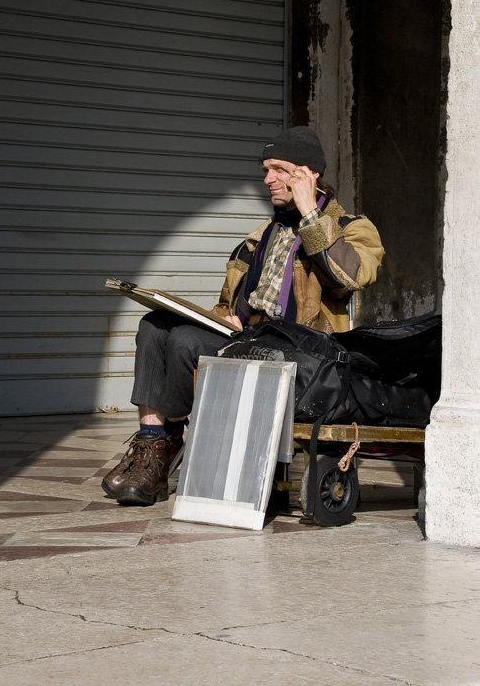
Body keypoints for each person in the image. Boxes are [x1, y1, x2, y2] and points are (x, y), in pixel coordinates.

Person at [102, 126, 384, 506]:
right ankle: (152, 445)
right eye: (265, 169)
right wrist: (226, 317)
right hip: (246, 339)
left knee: (184, 342)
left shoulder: (352, 228)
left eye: (279, 169)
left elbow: (348, 277)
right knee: (154, 325)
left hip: (301, 353)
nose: (268, 179)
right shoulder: (261, 236)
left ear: (309, 174)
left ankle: (165, 446)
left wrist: (310, 213)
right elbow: (230, 302)